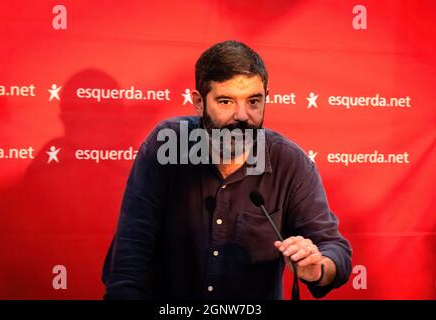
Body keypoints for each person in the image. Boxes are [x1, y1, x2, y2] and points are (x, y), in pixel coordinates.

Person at [102, 40, 352, 300]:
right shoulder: (165, 146)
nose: (242, 116)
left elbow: (334, 249)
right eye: (225, 101)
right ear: (199, 103)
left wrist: (319, 268)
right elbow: (130, 255)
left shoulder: (291, 163)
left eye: (253, 101)